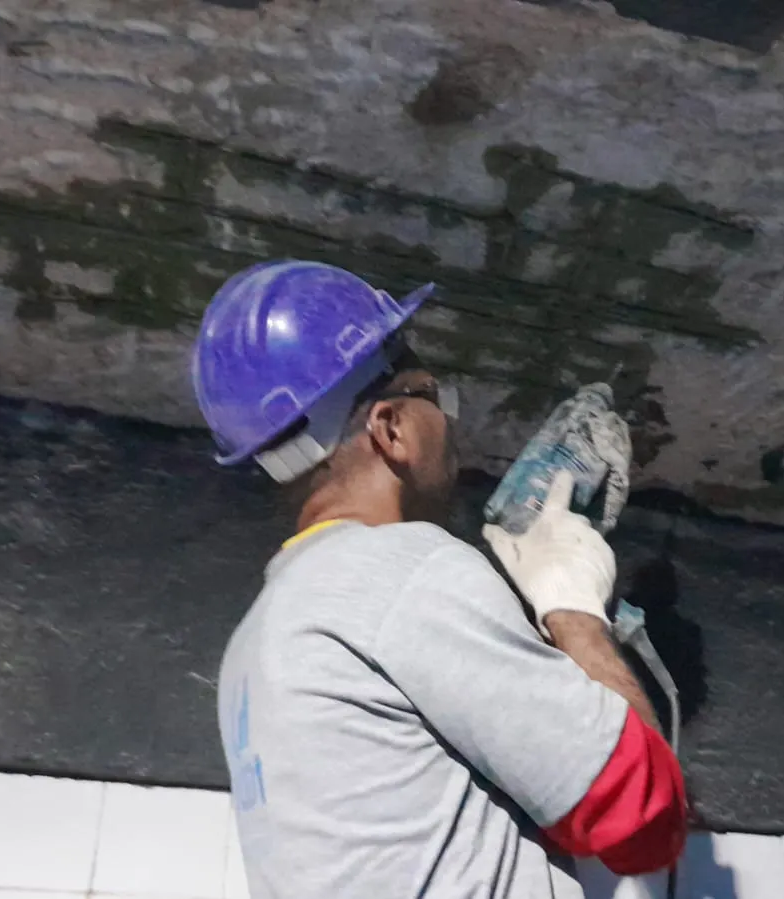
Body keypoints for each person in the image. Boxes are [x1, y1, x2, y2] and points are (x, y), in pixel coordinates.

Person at [193, 260, 688, 898]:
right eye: (430, 392)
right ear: (390, 429)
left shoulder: (255, 643)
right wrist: (574, 612)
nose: (448, 417)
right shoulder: (401, 568)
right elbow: (644, 817)